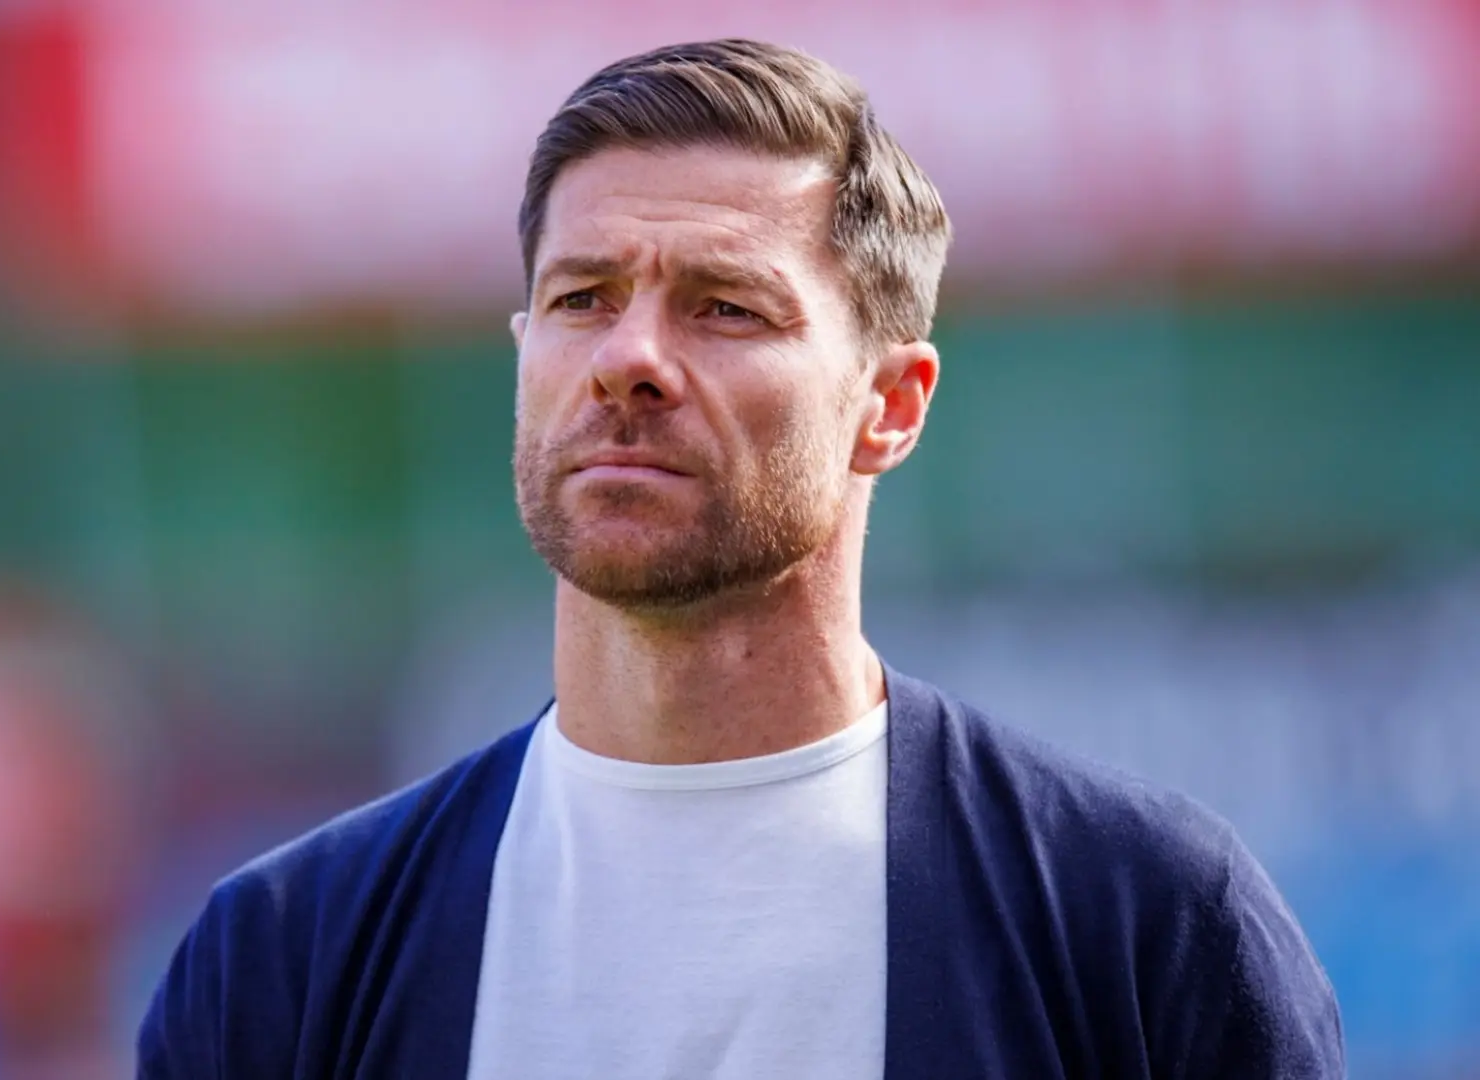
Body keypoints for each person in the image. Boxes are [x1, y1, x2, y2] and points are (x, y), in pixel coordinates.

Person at [138, 39, 1345, 1080]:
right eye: (581, 298)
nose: (628, 358)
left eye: (725, 307)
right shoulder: (288, 956)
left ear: (891, 405)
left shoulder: (1140, 922)